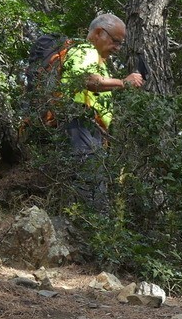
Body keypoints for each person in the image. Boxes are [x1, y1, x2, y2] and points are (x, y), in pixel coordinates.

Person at [58, 13, 144, 206]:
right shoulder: (85, 50)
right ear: (98, 32)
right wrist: (124, 82)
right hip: (79, 123)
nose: (117, 48)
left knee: (93, 185)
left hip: (88, 127)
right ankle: (88, 232)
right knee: (91, 189)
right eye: (115, 41)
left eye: (120, 43)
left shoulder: (98, 61)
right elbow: (88, 80)